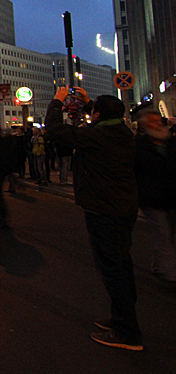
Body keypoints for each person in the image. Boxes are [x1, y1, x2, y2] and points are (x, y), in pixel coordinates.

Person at [46, 86, 142, 351]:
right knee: (122, 266)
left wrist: (57, 102)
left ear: (99, 115)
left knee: (113, 270)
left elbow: (55, 129)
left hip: (104, 209)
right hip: (122, 207)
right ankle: (121, 318)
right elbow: (103, 120)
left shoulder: (97, 136)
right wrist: (89, 103)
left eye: (94, 111)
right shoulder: (121, 132)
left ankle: (127, 332)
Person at [134, 111, 176, 282]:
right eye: (152, 122)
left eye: (159, 121)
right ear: (144, 126)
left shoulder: (171, 143)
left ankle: (160, 265)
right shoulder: (138, 146)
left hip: (171, 196)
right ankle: (170, 273)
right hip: (151, 198)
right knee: (163, 234)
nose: (158, 125)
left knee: (170, 233)